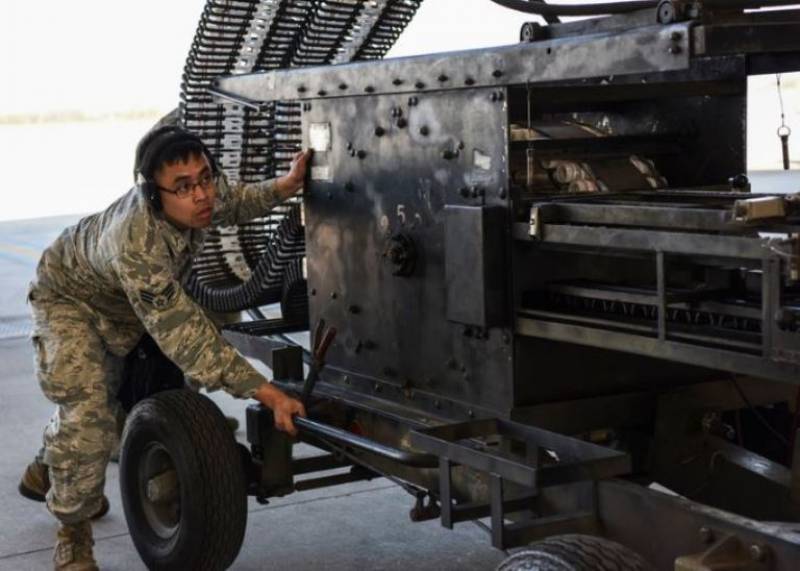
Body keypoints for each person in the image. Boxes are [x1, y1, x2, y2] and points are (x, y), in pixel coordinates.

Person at [18, 125, 310, 570]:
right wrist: (266, 392)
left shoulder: (205, 194)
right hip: (70, 300)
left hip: (129, 301)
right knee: (90, 416)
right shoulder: (137, 242)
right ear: (154, 195)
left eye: (205, 178)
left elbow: (237, 201)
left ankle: (49, 465)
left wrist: (286, 185)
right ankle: (73, 532)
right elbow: (183, 335)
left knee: (123, 396)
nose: (201, 195)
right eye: (183, 187)